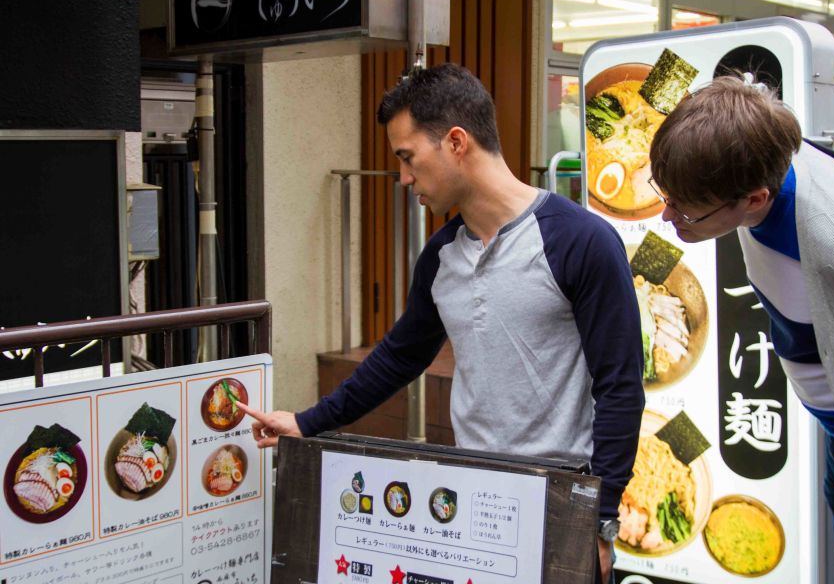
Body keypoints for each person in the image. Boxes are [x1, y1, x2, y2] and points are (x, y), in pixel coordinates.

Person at [237, 63, 644, 583]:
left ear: (456, 142)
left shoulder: (581, 241)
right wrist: (308, 421)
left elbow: (621, 386)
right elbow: (401, 355)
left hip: (561, 499)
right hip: (470, 497)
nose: (404, 179)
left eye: (408, 158)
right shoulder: (440, 256)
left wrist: (600, 518)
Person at [647, 75, 834, 584]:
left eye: (684, 210)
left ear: (754, 199)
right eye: (665, 195)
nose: (666, 217)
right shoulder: (762, 146)